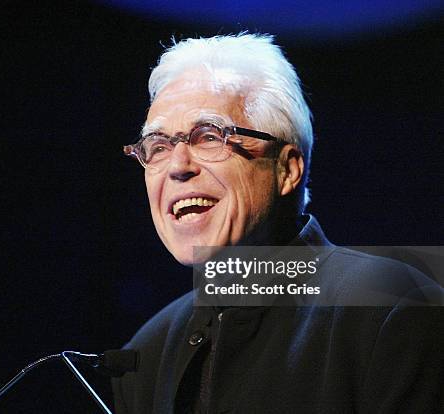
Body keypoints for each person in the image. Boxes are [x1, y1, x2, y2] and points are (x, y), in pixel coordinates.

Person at [113, 33, 443, 413]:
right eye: (157, 146)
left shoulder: (393, 308)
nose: (177, 166)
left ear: (287, 169)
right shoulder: (145, 352)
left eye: (208, 137)